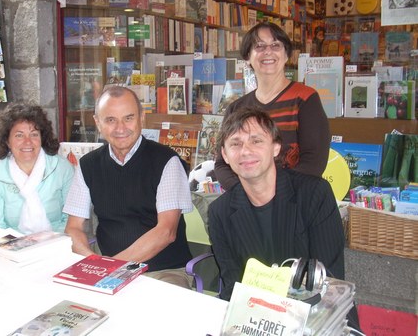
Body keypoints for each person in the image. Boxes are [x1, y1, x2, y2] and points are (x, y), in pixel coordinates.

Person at [208, 106, 360, 329]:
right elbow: (233, 285)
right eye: (235, 143)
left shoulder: (314, 194)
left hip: (319, 318)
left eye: (256, 141)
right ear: (225, 155)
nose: (245, 151)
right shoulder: (220, 212)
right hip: (256, 321)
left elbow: (327, 280)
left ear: (276, 147)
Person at [63, 86, 193, 289]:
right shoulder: (88, 165)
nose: (120, 128)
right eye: (110, 120)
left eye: (128, 118)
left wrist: (112, 269)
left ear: (142, 118)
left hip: (162, 271)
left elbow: (166, 232)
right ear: (98, 123)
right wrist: (93, 263)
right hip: (107, 269)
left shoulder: (166, 161)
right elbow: (73, 228)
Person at [214, 22, 330, 190]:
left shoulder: (305, 98)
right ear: (247, 57)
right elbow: (221, 164)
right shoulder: (236, 108)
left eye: (276, 45)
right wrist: (246, 193)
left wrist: (272, 195)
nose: (268, 51)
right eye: (259, 46)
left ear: (286, 55)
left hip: (293, 199)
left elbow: (314, 162)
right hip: (246, 202)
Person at [0, 103, 75, 234]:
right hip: (13, 248)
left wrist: (51, 243)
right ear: (7, 141)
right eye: (19, 135)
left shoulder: (62, 168)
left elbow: (72, 220)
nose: (27, 142)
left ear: (42, 137)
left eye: (34, 134)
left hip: (60, 243)